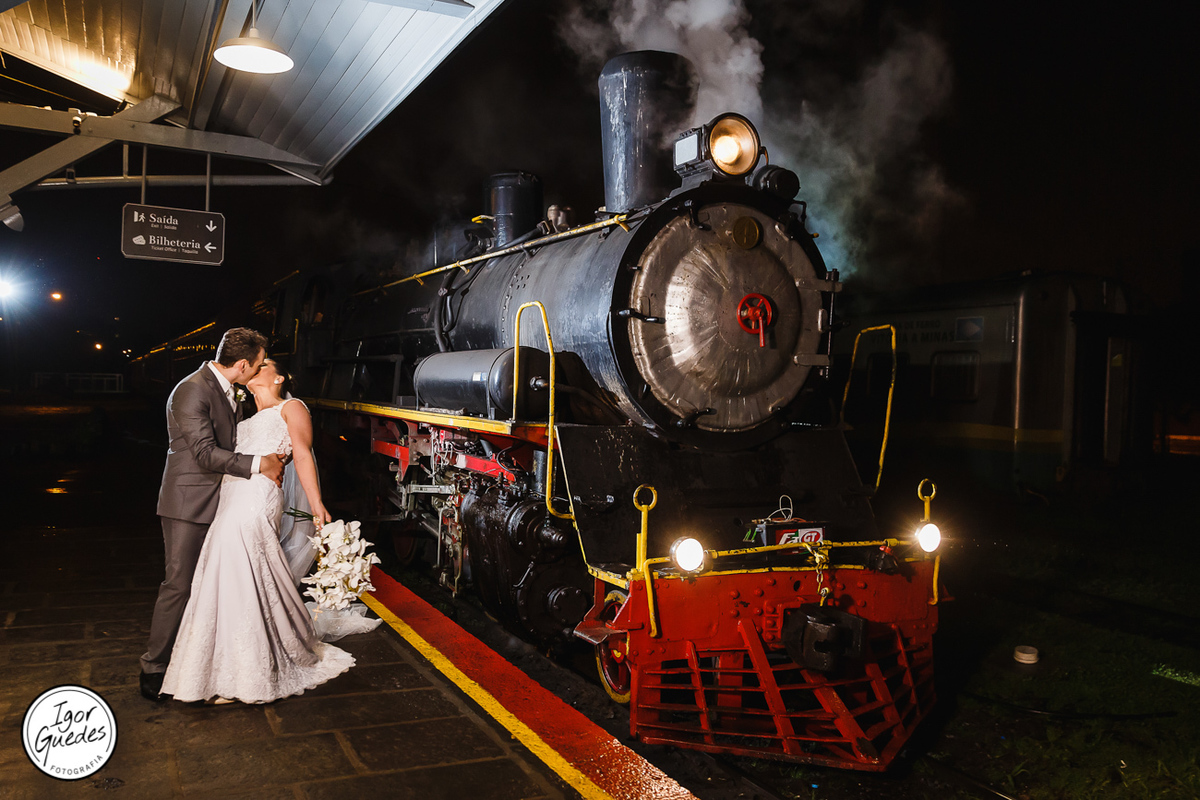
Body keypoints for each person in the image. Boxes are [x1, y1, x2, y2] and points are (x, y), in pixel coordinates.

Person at [160, 358, 354, 704]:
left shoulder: (292, 407)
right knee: (226, 573)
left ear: (279, 377)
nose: (255, 366)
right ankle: (217, 668)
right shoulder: (242, 419)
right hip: (229, 497)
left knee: (241, 567)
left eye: (265, 363)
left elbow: (304, 455)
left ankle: (246, 672)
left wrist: (316, 503)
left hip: (257, 499)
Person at [140, 328, 286, 701]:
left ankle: (201, 664)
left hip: (223, 502)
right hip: (188, 504)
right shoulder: (192, 389)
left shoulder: (225, 388)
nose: (258, 371)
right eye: (256, 365)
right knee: (179, 584)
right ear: (241, 365)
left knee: (211, 586)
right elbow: (205, 454)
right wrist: (260, 464)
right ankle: (153, 669)